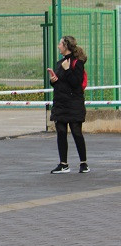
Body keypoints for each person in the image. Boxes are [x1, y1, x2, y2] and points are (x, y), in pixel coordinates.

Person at [48, 35, 89, 174]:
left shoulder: (77, 63)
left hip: (74, 103)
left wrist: (67, 70)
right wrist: (53, 80)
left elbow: (76, 84)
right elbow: (61, 83)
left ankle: (84, 163)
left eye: (60, 44)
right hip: (60, 103)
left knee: (77, 132)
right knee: (61, 132)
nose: (58, 46)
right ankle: (63, 164)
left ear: (66, 46)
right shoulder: (60, 63)